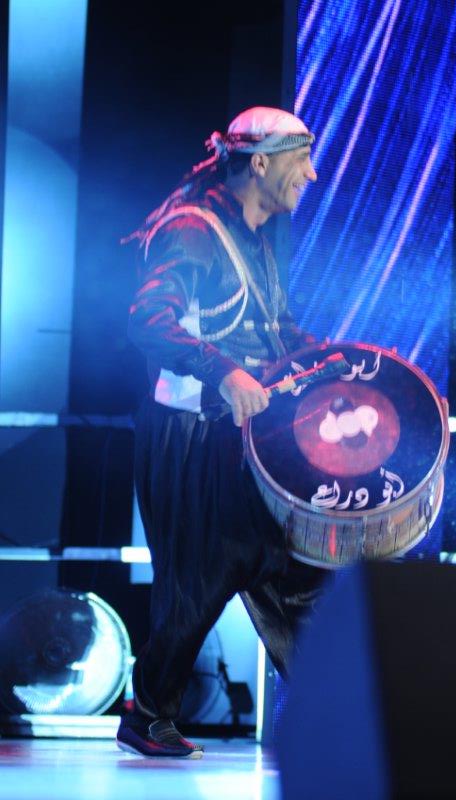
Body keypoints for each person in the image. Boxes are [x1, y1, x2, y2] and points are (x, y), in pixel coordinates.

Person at [117, 107, 324, 758]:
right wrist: (224, 371)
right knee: (201, 579)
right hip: (188, 434)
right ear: (260, 162)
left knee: (291, 568)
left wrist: (345, 366)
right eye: (301, 159)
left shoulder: (254, 238)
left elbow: (278, 332)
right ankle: (149, 713)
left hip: (242, 437)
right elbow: (148, 320)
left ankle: (330, 715)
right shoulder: (193, 230)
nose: (311, 173)